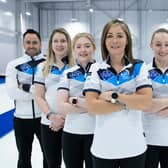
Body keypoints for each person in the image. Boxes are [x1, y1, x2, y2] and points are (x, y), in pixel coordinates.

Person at [83, 19, 152, 168]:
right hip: (104, 148)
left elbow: (145, 102)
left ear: (127, 40)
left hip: (134, 147)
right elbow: (92, 107)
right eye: (110, 36)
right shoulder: (94, 68)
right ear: (104, 41)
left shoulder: (139, 66)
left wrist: (113, 97)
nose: (115, 40)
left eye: (120, 36)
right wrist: (131, 101)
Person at [5, 29, 47, 168]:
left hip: (44, 117)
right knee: (23, 156)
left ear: (40, 44)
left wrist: (24, 86)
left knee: (49, 155)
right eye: (28, 42)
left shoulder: (48, 63)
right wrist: (38, 91)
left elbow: (50, 91)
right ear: (23, 44)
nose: (31, 45)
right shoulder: (14, 65)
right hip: (21, 118)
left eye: (34, 42)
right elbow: (12, 92)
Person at [34, 28, 74, 168]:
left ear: (68, 43)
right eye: (56, 41)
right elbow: (39, 96)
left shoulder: (75, 67)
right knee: (52, 163)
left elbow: (78, 95)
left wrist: (64, 117)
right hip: (49, 123)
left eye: (63, 41)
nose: (59, 44)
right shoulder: (42, 67)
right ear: (51, 44)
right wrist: (52, 116)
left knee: (73, 163)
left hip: (72, 122)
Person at [57, 33, 96, 168]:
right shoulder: (68, 73)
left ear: (94, 48)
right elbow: (61, 106)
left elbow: (105, 104)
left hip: (96, 133)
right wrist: (92, 105)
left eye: (87, 46)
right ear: (74, 50)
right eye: (78, 46)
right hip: (71, 134)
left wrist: (74, 100)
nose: (83, 50)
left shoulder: (103, 71)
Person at [143, 28, 168, 168]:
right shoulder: (143, 72)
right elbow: (145, 104)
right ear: (151, 45)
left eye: (167, 44)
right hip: (149, 138)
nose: (163, 49)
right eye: (158, 44)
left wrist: (156, 104)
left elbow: (151, 104)